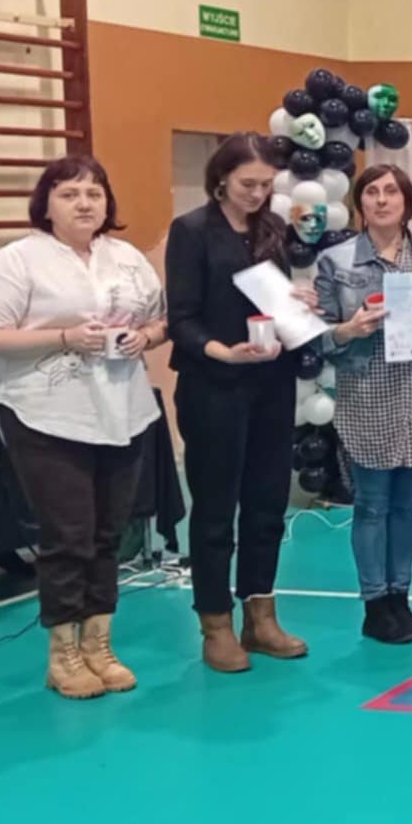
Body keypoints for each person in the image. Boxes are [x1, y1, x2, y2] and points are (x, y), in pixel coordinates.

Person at [0, 155, 166, 698]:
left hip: (122, 410)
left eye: (94, 193)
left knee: (109, 534)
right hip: (45, 415)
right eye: (70, 193)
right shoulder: (18, 260)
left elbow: (160, 317)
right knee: (69, 535)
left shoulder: (127, 258)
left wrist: (147, 337)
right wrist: (64, 338)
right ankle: (63, 654)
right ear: (47, 204)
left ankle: (99, 644)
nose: (84, 203)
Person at [164, 132, 312, 674]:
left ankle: (261, 614)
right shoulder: (191, 231)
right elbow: (181, 318)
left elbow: (274, 303)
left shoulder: (272, 229)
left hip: (271, 381)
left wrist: (299, 304)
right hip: (214, 385)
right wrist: (222, 351)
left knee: (268, 502)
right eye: (248, 183)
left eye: (266, 185)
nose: (257, 193)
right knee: (215, 507)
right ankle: (215, 624)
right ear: (221, 178)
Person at [315, 164, 412, 644]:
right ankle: (375, 605)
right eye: (372, 192)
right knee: (372, 505)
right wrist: (348, 329)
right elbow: (317, 336)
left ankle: (401, 599)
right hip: (368, 394)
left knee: (407, 506)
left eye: (391, 192)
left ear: (407, 201)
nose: (382, 200)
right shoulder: (335, 263)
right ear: (359, 202)